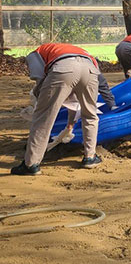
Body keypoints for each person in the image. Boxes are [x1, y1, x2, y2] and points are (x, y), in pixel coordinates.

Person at [11, 44, 107, 175]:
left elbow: (39, 80)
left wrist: (41, 100)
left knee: (43, 118)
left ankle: (31, 164)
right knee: (90, 114)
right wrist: (70, 122)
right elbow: (75, 104)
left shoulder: (34, 53)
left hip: (63, 68)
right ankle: (90, 157)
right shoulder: (82, 52)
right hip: (90, 70)